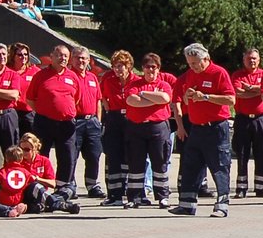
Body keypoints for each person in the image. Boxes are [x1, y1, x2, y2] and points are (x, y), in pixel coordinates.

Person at [170, 43, 236, 217]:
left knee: (219, 165)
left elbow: (230, 100)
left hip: (216, 127)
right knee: (191, 165)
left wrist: (205, 97)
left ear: (205, 59)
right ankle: (187, 204)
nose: (192, 67)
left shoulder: (219, 73)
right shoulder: (190, 75)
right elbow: (184, 100)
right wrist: (188, 96)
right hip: (196, 127)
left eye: (195, 63)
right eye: (189, 63)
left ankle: (222, 205)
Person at [29, 44, 82, 196]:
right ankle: (39, 188)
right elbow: (30, 99)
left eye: (65, 56)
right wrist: (44, 109)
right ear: (51, 57)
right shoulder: (40, 75)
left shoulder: (73, 77)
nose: (63, 58)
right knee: (40, 155)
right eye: (59, 55)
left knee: (67, 156)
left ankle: (63, 188)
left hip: (66, 124)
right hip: (44, 122)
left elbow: (75, 99)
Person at [124, 52, 175, 209]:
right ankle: (135, 197)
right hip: (136, 127)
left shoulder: (164, 85)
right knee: (136, 163)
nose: (150, 70)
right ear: (143, 68)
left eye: (154, 67)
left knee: (160, 163)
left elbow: (165, 99)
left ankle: (162, 196)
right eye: (147, 67)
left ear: (158, 69)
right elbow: (132, 101)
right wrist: (154, 100)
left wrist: (144, 94)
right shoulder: (133, 84)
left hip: (158, 127)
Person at [231, 48, 263, 201]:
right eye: (249, 58)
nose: (251, 61)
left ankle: (261, 187)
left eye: (254, 58)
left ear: (259, 59)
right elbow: (238, 93)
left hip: (261, 119)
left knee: (262, 153)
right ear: (244, 60)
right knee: (242, 153)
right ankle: (241, 187)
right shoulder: (237, 75)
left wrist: (253, 89)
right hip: (243, 119)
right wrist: (257, 91)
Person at [99, 50, 135, 207]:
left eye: (121, 66)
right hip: (114, 118)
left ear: (128, 66)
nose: (117, 69)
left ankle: (129, 192)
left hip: (131, 119)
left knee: (129, 156)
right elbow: (102, 96)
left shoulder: (136, 80)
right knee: (113, 155)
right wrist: (108, 109)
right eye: (115, 66)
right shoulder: (108, 79)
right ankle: (114, 195)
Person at [70, 47, 106, 198]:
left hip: (91, 122)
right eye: (78, 58)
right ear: (72, 59)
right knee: (72, 155)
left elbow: (98, 100)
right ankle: (70, 185)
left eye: (84, 58)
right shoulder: (69, 76)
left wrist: (97, 120)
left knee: (94, 154)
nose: (81, 61)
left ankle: (92, 185)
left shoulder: (92, 78)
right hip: (75, 121)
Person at [8, 43, 39, 137]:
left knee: (28, 143)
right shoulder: (7, 70)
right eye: (20, 55)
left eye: (26, 54)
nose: (23, 57)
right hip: (11, 111)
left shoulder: (35, 71)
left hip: (29, 113)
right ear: (13, 56)